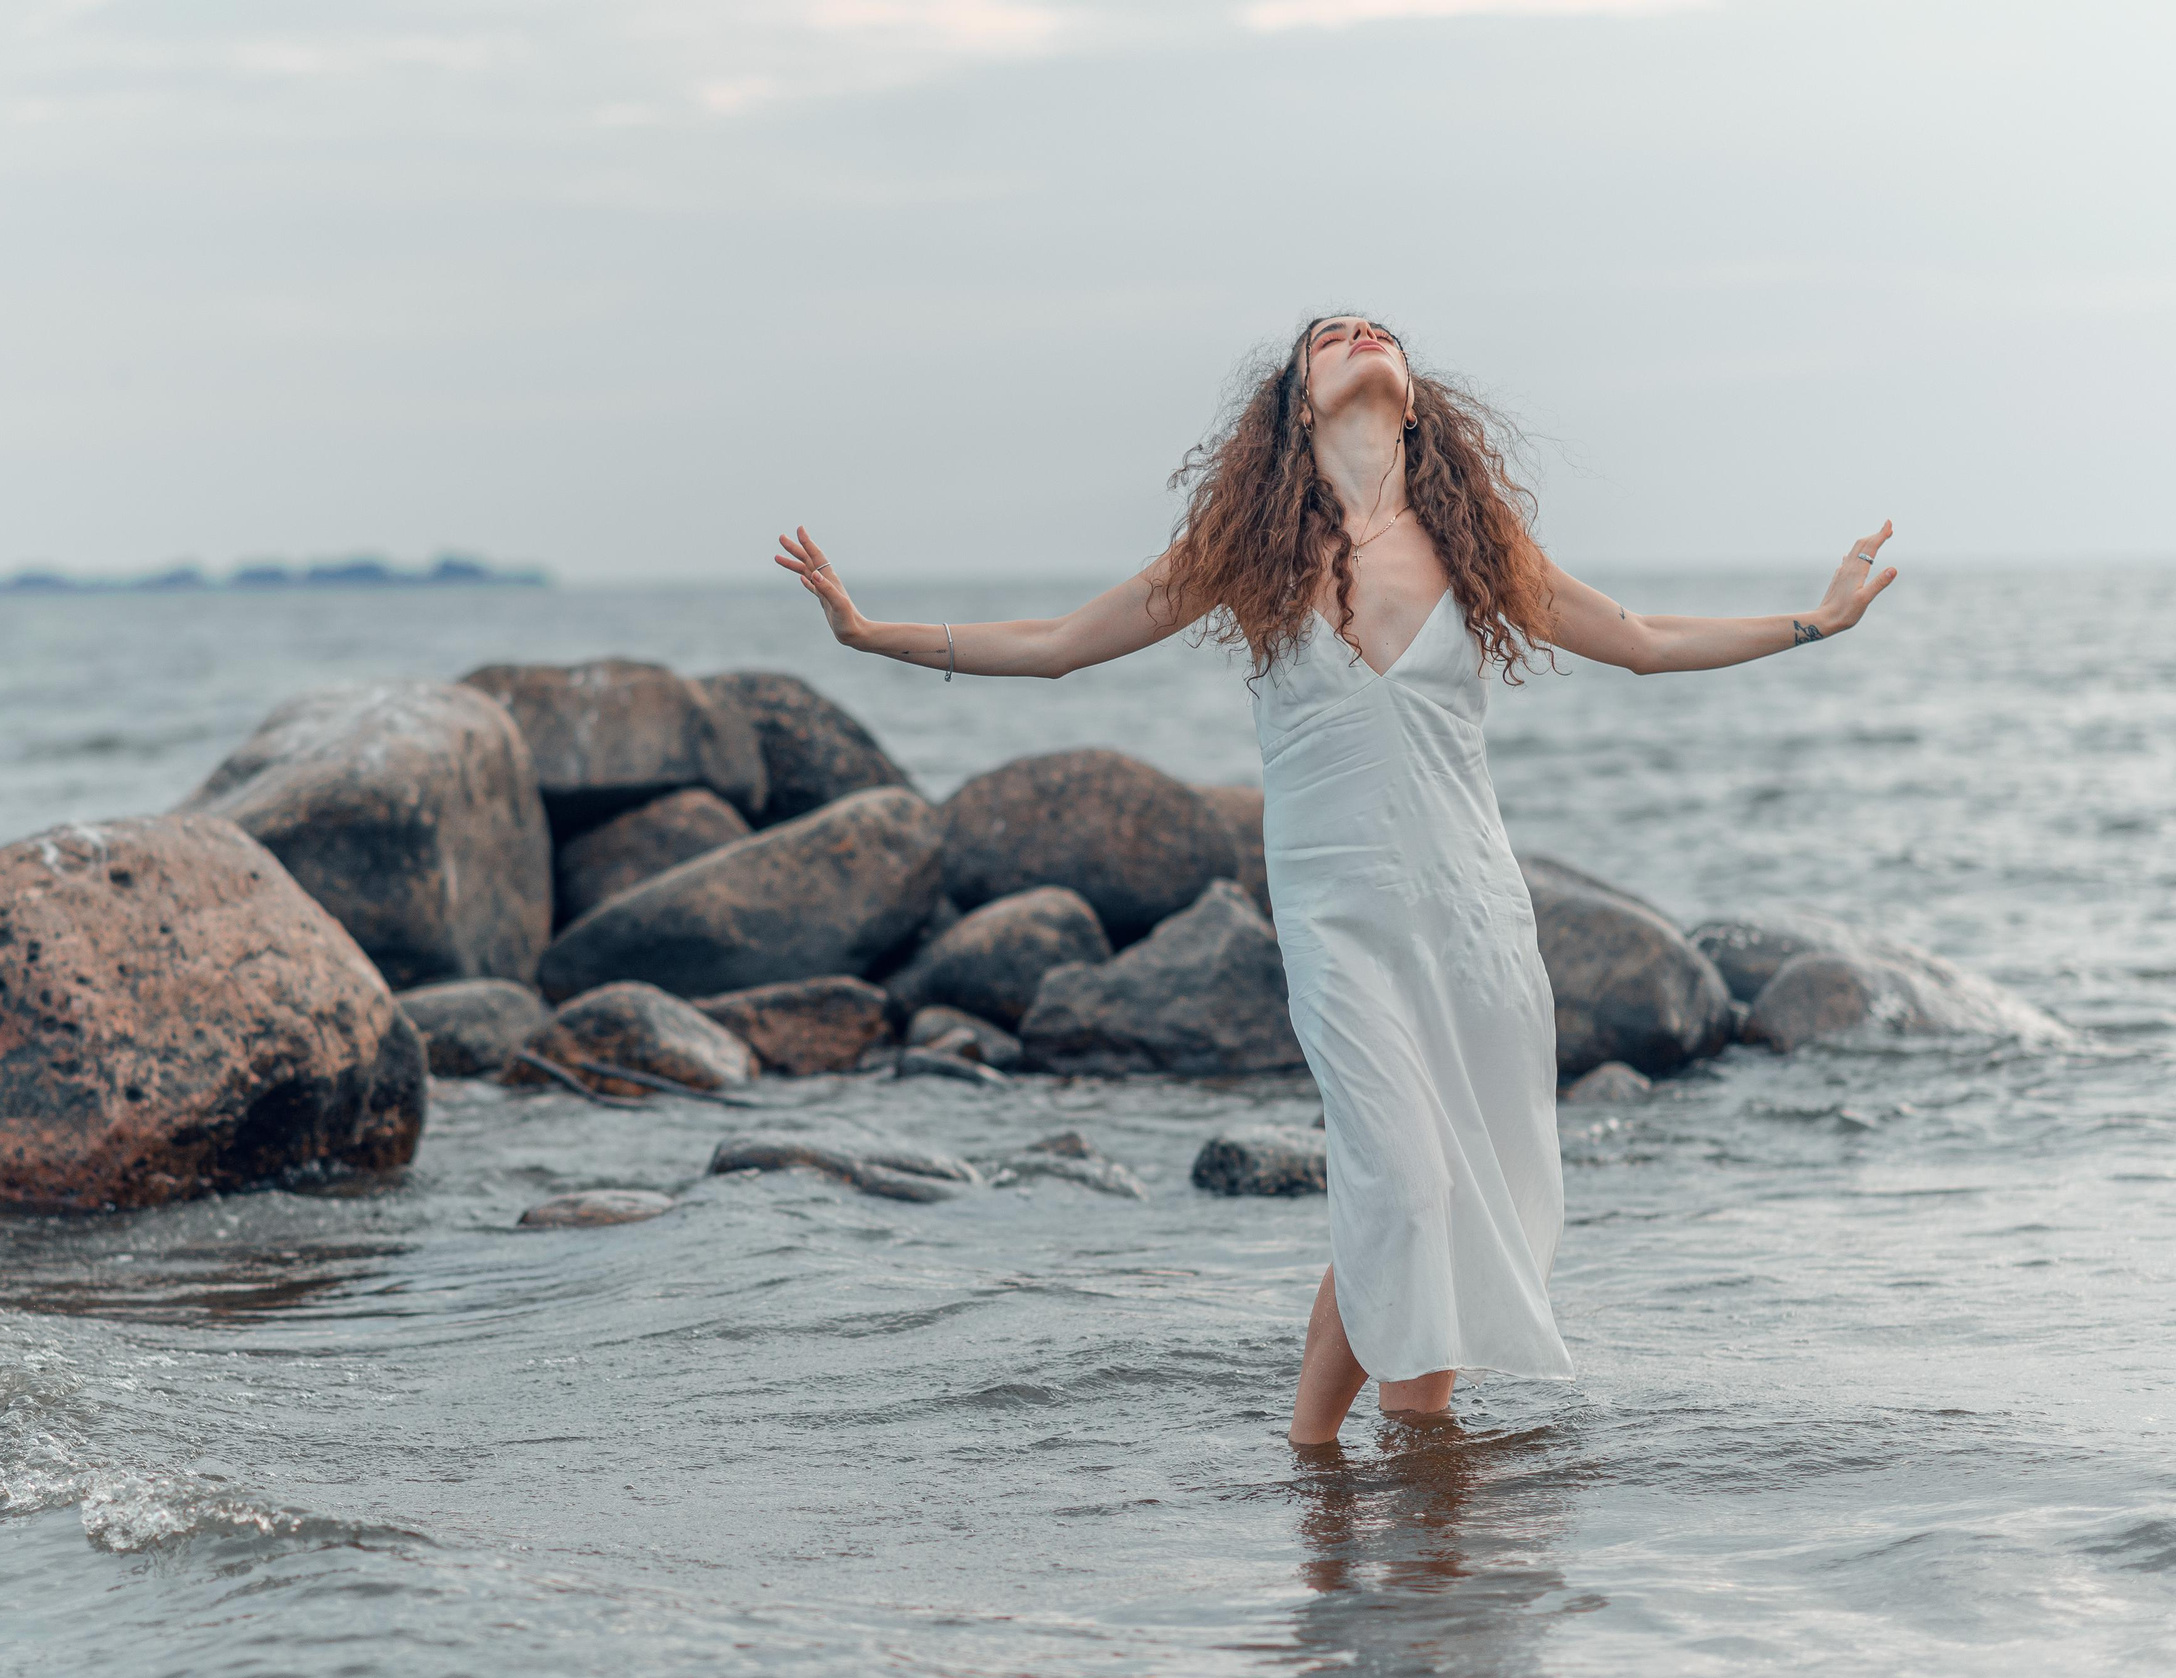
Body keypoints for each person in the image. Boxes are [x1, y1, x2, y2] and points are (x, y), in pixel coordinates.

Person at [773, 313, 1899, 1443]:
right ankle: (1317, 1465)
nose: (1359, 334)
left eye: (1378, 331)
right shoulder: (1248, 556)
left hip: (1472, 926)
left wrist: (1816, 622)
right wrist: (873, 635)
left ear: (1410, 401)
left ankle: (1409, 1476)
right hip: (1339, 925)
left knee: (1453, 1200)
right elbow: (1061, 641)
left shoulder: (1477, 550)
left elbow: (1646, 639)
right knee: (1403, 1187)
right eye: (1329, 337)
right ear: (1296, 405)